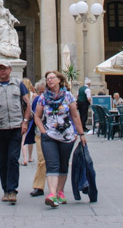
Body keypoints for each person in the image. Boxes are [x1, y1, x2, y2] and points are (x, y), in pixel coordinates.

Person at [34, 70, 87, 208]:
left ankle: (60, 192)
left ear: (59, 80)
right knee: (52, 164)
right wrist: (43, 131)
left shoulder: (68, 96)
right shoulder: (42, 97)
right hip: (49, 135)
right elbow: (37, 116)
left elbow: (75, 116)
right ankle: (52, 194)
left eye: (52, 78)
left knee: (63, 164)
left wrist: (81, 134)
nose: (49, 80)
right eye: (47, 78)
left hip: (67, 136)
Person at [0, 61, 32, 204]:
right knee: (2, 160)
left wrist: (25, 121)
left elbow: (27, 102)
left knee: (13, 158)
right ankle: (5, 189)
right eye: (0, 68)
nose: (2, 71)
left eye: (5, 68)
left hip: (16, 126)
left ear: (10, 69)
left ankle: (12, 190)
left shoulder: (18, 84)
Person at [28, 80, 48, 197]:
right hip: (40, 134)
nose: (42, 95)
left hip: (55, 133)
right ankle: (38, 186)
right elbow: (34, 115)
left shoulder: (56, 98)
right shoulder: (37, 100)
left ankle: (57, 186)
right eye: (40, 92)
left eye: (43, 92)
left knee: (57, 161)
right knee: (42, 160)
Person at [20, 77, 36, 165]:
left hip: (22, 117)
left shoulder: (20, 95)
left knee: (23, 138)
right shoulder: (33, 95)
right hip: (31, 118)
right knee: (30, 137)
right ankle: (30, 157)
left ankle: (25, 158)